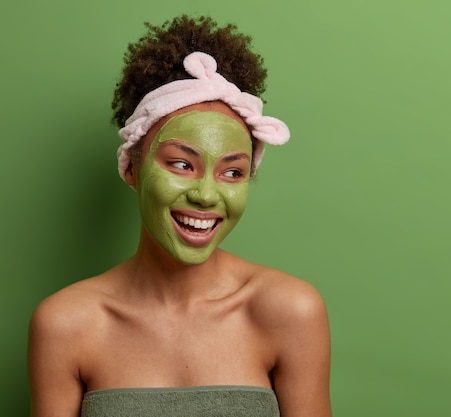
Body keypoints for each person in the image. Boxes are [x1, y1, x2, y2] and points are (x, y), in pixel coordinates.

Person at [28, 15, 331, 417]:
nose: (207, 195)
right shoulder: (65, 324)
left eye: (232, 172)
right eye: (181, 164)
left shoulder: (289, 311)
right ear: (132, 170)